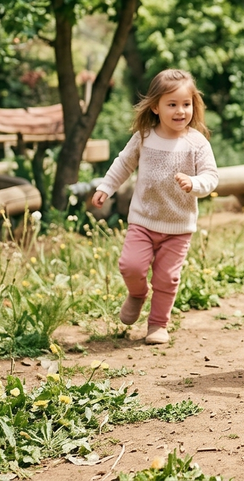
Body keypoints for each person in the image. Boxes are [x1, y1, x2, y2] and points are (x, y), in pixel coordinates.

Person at [91, 69, 220, 345]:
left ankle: (158, 325)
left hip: (178, 226)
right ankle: (137, 294)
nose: (180, 111)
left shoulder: (196, 142)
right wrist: (105, 187)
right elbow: (124, 163)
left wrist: (194, 183)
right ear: (155, 106)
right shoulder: (145, 136)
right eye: (171, 104)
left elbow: (211, 177)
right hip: (143, 220)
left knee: (167, 278)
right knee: (130, 266)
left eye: (186, 104)